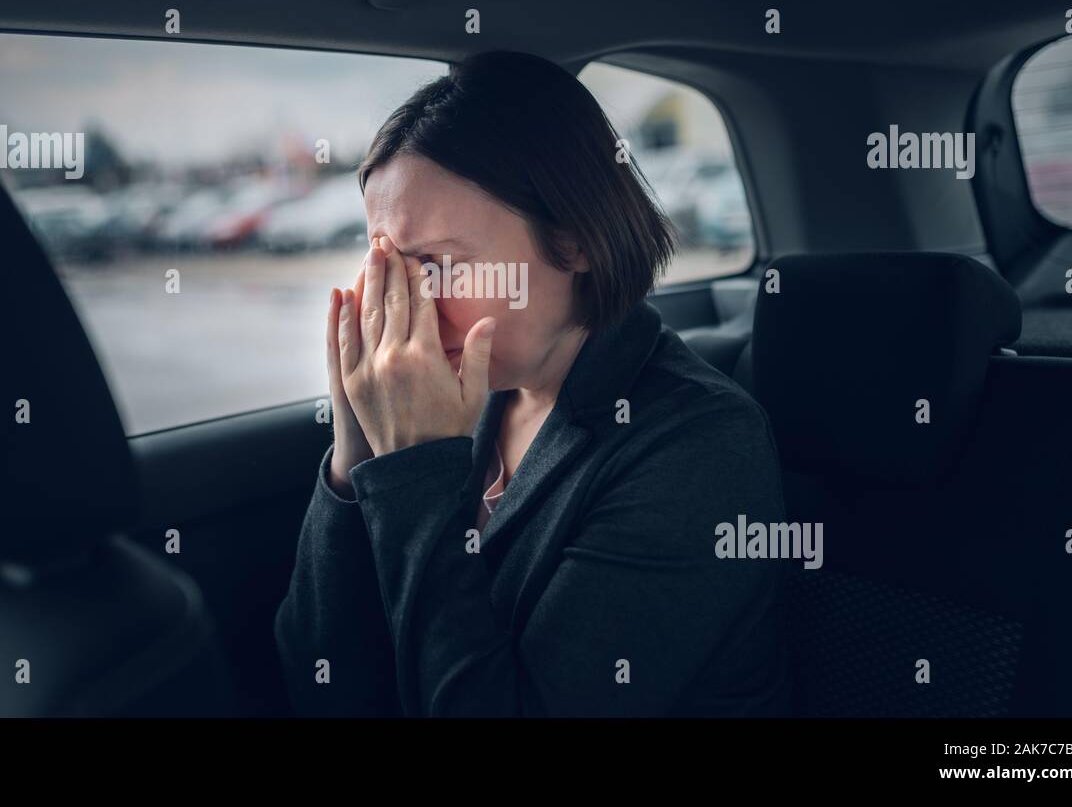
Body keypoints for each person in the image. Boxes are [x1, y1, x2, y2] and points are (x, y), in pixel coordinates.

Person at [273, 49, 792, 717]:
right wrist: (354, 460)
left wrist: (416, 473)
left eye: (441, 264)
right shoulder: (478, 395)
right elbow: (318, 682)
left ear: (574, 240)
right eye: (395, 271)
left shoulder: (702, 446)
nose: (411, 310)